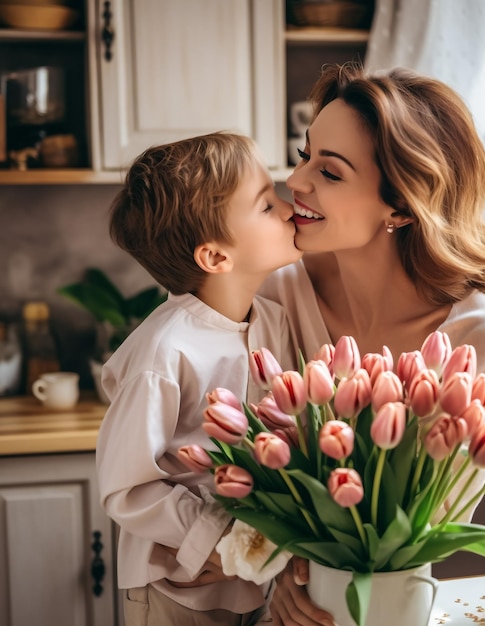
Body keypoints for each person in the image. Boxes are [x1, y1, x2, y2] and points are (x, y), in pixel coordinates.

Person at [258, 62, 485, 625]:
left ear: (401, 205)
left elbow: (438, 517)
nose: (296, 180)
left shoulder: (479, 335)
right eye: (305, 155)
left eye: (330, 172)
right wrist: (281, 573)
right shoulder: (279, 291)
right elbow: (262, 476)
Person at [95, 132, 302, 626]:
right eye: (266, 206)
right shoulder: (164, 351)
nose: (290, 206)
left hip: (255, 583)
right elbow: (125, 485)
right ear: (215, 258)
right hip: (176, 589)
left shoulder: (275, 323)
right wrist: (212, 538)